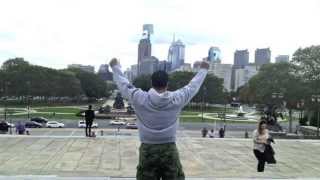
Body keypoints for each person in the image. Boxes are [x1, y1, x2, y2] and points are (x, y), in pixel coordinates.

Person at [110, 58, 209, 180]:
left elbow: (124, 84)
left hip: (147, 149)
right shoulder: (177, 98)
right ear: (167, 84)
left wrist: (115, 67)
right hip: (169, 149)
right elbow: (193, 86)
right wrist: (203, 70)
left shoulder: (139, 97)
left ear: (152, 83)